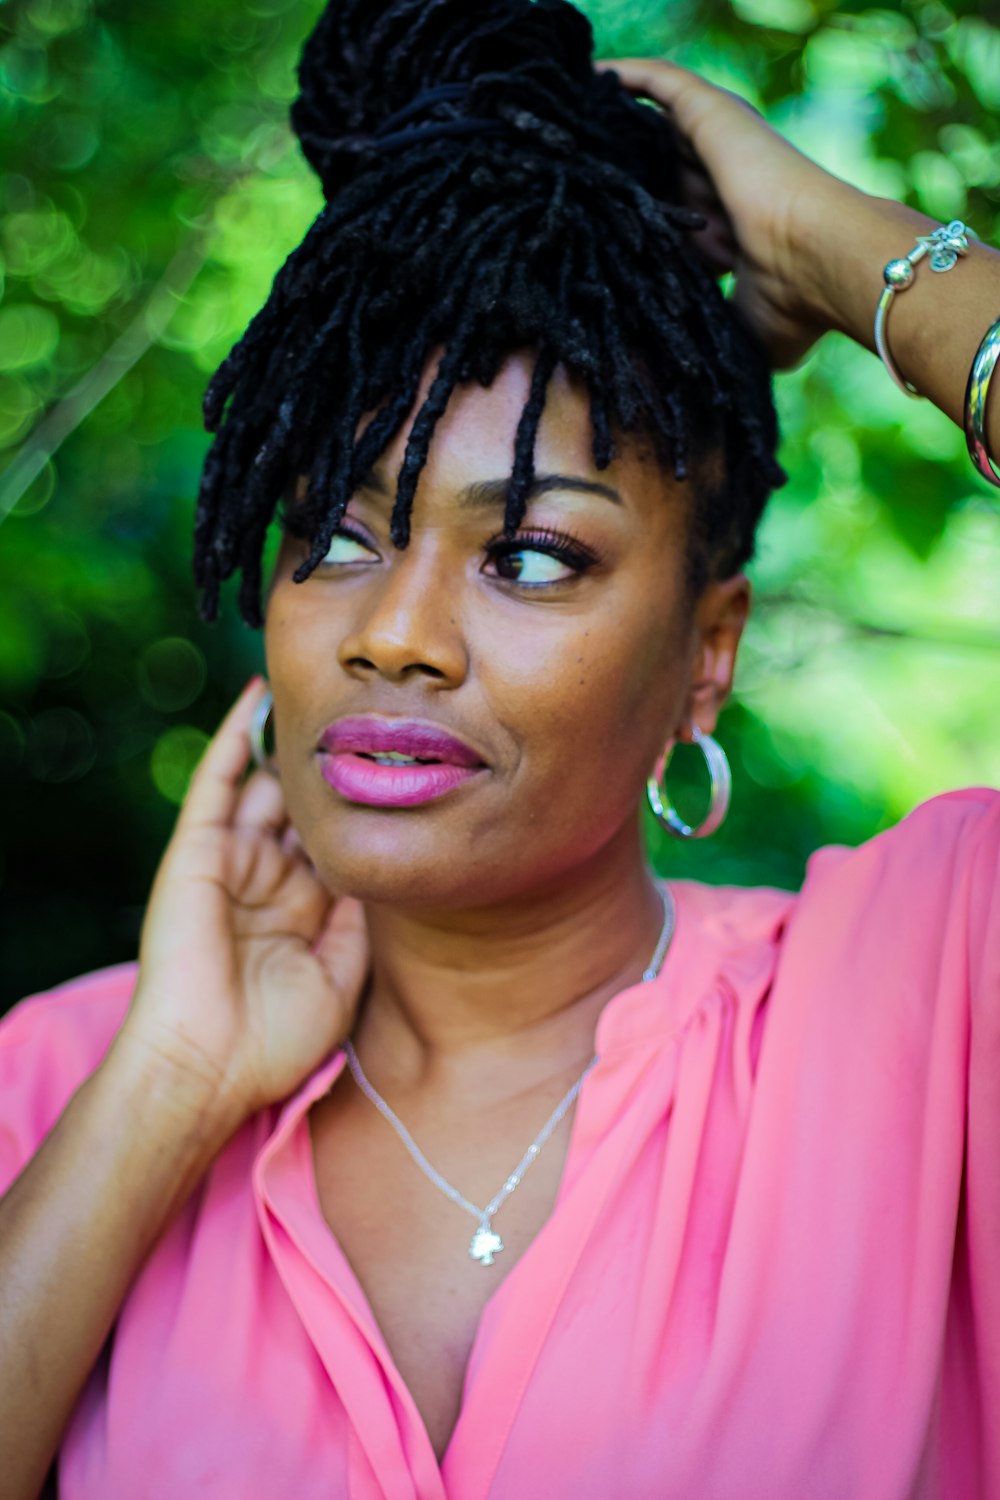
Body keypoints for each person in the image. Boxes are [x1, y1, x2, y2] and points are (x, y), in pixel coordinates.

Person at [2, 1, 998, 1496]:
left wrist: (841, 248)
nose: (393, 633)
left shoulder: (932, 1001)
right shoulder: (64, 1083)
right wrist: (169, 1088)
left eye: (531, 555)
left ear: (704, 656)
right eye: (332, 536)